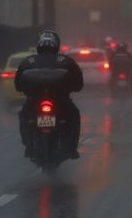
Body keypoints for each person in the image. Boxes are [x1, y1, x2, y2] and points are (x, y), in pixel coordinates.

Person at [14, 29, 83, 159]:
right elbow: (79, 83)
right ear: (56, 44)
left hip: (35, 101)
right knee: (74, 116)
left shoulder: (28, 61)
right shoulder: (66, 61)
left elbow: (17, 85)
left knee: (24, 115)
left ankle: (29, 144)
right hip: (61, 101)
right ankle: (71, 147)